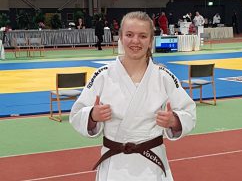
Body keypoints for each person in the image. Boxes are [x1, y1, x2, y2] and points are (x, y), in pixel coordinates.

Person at [69, 11, 196, 181]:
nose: (135, 41)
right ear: (120, 37)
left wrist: (173, 121)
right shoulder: (102, 75)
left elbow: (189, 112)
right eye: (129, 35)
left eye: (143, 36)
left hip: (151, 166)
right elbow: (77, 114)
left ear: (151, 41)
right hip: (114, 165)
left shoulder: (164, 76)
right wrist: (92, 115)